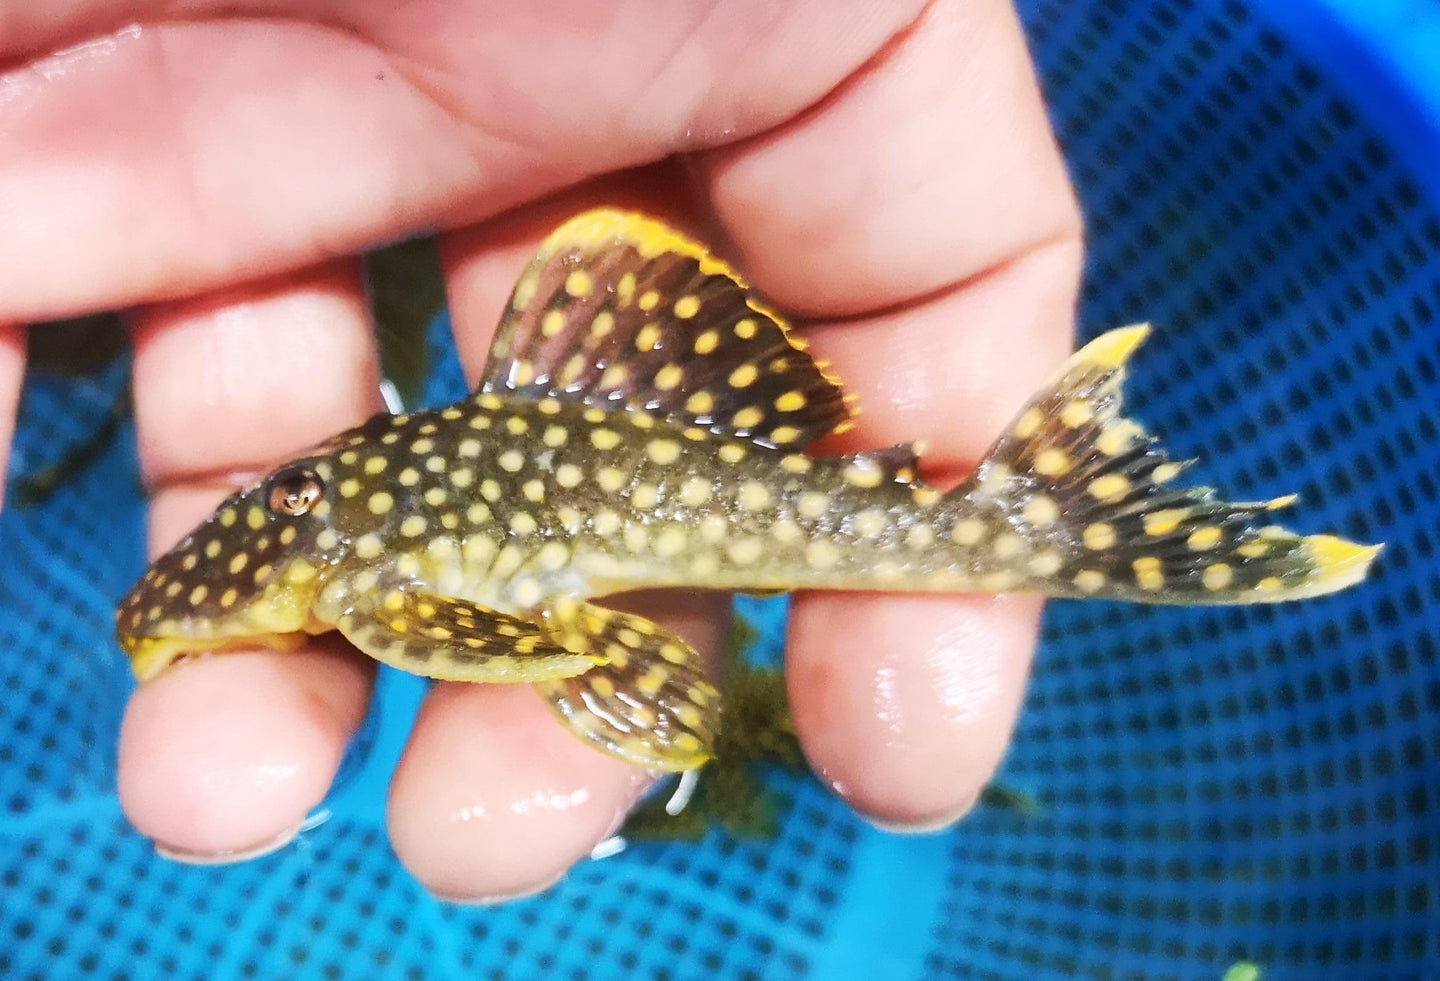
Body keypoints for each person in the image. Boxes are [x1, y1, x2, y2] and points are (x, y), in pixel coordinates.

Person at [0, 0, 1082, 903]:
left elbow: (526, 644)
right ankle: (1068, 514)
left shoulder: (368, 586)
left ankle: (1066, 521)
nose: (284, 505)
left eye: (292, 498)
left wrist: (566, 652)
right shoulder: (353, 567)